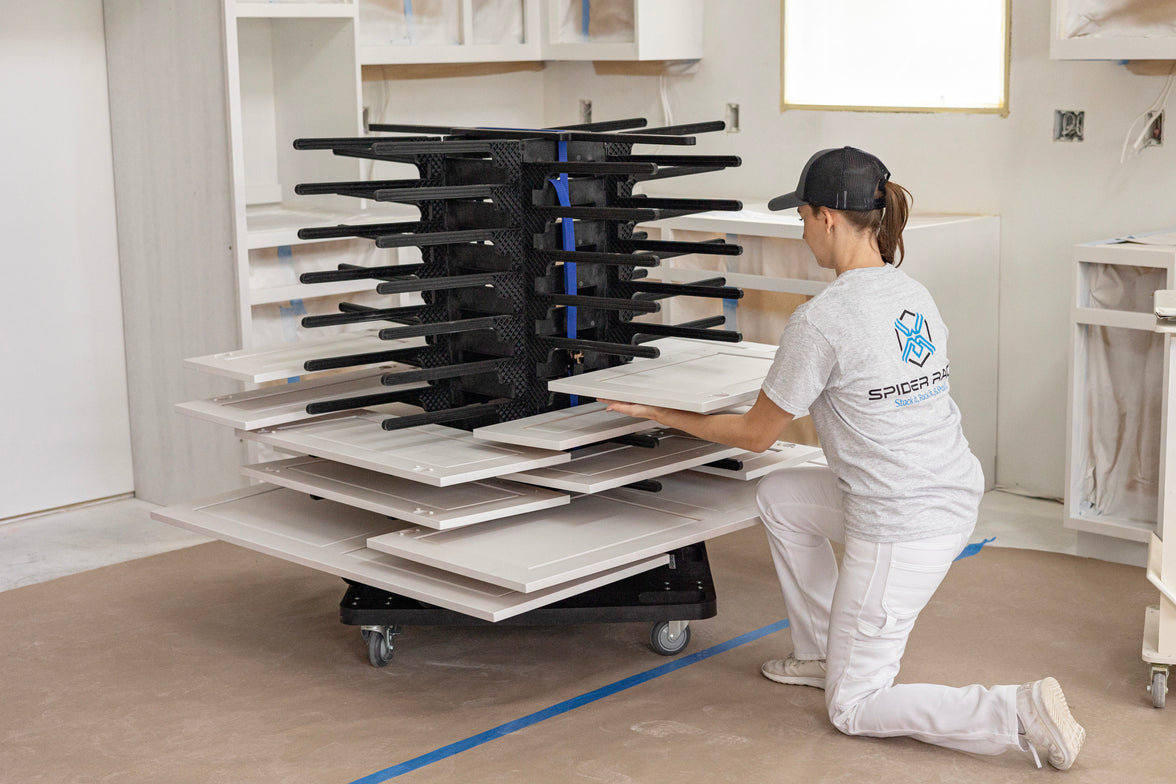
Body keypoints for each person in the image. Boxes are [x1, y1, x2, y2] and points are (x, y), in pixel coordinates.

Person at [602, 146, 1086, 770]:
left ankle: (1014, 711)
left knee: (854, 708)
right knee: (780, 497)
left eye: (803, 217)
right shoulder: (912, 293)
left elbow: (754, 434)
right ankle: (823, 652)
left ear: (827, 218)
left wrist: (659, 411)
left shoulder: (821, 320)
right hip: (947, 491)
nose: (802, 231)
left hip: (902, 523)